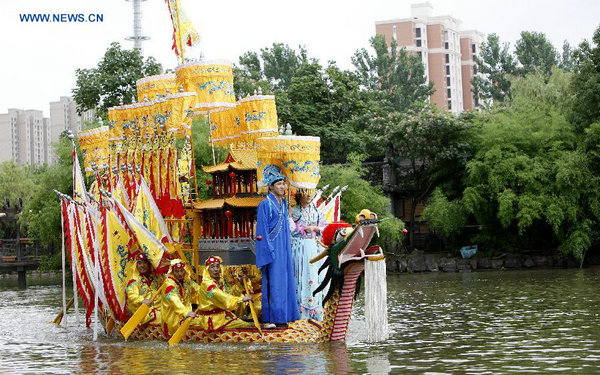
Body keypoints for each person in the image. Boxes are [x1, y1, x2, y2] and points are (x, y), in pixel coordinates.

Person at [255, 165, 300, 329]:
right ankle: (271, 318)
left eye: (284, 183)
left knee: (285, 281)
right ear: (271, 186)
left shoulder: (282, 204)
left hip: (284, 249)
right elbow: (261, 231)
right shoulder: (264, 205)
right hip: (272, 249)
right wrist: (268, 252)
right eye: (279, 184)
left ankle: (284, 316)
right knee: (274, 282)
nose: (282, 187)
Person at [290, 191, 327, 320]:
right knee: (300, 276)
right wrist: (304, 230)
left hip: (313, 247)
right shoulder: (294, 211)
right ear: (299, 196)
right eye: (306, 194)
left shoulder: (317, 211)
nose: (309, 197)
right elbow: (291, 229)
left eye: (311, 194)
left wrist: (315, 229)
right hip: (299, 247)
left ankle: (315, 311)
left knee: (314, 277)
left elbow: (325, 227)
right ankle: (300, 313)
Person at [195, 256, 254, 331]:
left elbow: (230, 293)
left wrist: (240, 284)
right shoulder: (207, 284)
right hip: (214, 320)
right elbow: (223, 297)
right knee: (246, 325)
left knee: (245, 324)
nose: (216, 269)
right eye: (212, 267)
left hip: (223, 316)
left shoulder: (220, 281)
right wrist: (242, 299)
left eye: (217, 266)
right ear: (207, 270)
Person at [161, 259, 203, 335]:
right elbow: (174, 301)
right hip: (173, 318)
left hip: (187, 314)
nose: (180, 274)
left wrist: (210, 296)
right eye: (177, 271)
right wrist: (186, 313)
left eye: (182, 271)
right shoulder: (169, 285)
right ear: (172, 272)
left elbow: (198, 290)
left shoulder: (186, 280)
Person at [125, 252, 162, 325]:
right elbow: (131, 295)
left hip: (159, 307)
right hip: (142, 311)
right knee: (162, 318)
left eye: (145, 263)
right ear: (136, 265)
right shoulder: (133, 280)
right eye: (139, 263)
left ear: (149, 264)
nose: (142, 266)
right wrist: (142, 300)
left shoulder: (158, 277)